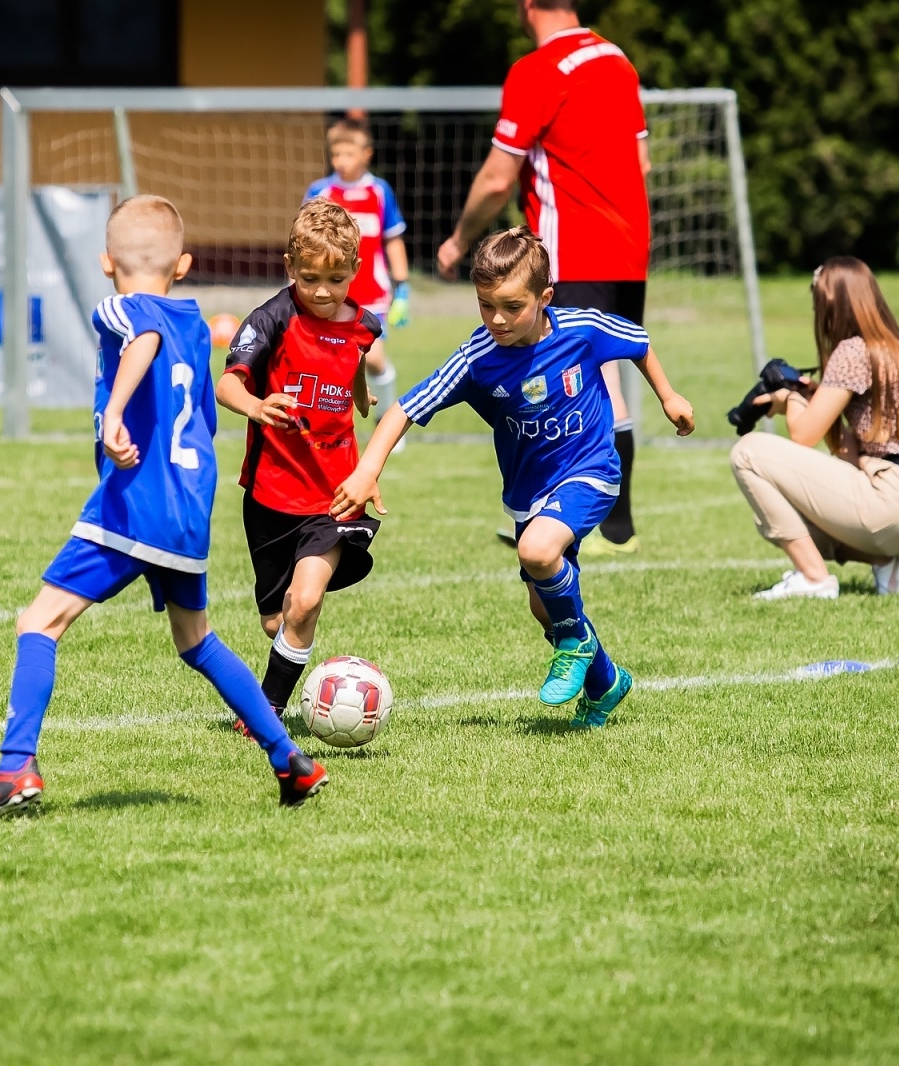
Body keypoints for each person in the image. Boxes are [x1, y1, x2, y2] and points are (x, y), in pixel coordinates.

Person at [0, 195, 328, 819]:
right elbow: (203, 415)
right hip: (188, 511)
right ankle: (288, 757)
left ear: (107, 262)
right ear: (182, 264)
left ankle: (15, 767)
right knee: (196, 640)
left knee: (38, 622)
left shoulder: (123, 308)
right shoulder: (193, 321)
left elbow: (141, 338)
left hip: (136, 502)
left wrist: (115, 416)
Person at [333, 228, 695, 730]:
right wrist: (368, 469)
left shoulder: (581, 329)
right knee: (543, 606)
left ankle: (577, 643)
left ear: (545, 298)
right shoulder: (477, 359)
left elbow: (638, 342)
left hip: (591, 469)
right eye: (485, 305)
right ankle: (605, 681)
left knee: (538, 553)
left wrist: (668, 396)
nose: (497, 319)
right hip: (529, 494)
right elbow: (404, 408)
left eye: (511, 306)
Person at [438, 0, 654, 555]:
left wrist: (461, 239)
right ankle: (608, 524)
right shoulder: (617, 60)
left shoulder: (536, 69)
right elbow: (643, 163)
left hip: (571, 251)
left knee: (584, 382)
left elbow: (496, 177)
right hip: (630, 248)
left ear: (527, 5)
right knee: (607, 379)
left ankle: (602, 525)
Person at [217, 199, 383, 727]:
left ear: (355, 272)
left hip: (334, 494)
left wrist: (358, 395)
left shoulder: (365, 325)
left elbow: (351, 357)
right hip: (270, 494)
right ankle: (287, 650)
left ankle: (266, 710)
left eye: (336, 279)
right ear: (290, 269)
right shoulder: (270, 320)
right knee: (277, 620)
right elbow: (226, 384)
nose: (322, 291)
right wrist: (256, 406)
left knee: (305, 600)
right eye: (309, 278)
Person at [730, 257, 899, 600]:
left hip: (897, 501)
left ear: (830, 305)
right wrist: (817, 399)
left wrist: (790, 400)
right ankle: (888, 561)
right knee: (787, 506)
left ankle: (813, 580)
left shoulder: (853, 351)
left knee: (748, 453)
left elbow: (803, 435)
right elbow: (851, 453)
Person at [304, 118, 410, 437]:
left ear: (367, 154)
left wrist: (402, 287)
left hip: (372, 295)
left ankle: (387, 423)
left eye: (349, 154)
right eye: (336, 155)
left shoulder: (379, 192)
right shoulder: (319, 192)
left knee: (373, 360)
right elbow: (303, 240)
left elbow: (393, 239)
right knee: (324, 360)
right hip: (328, 293)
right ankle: (325, 423)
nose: (341, 161)